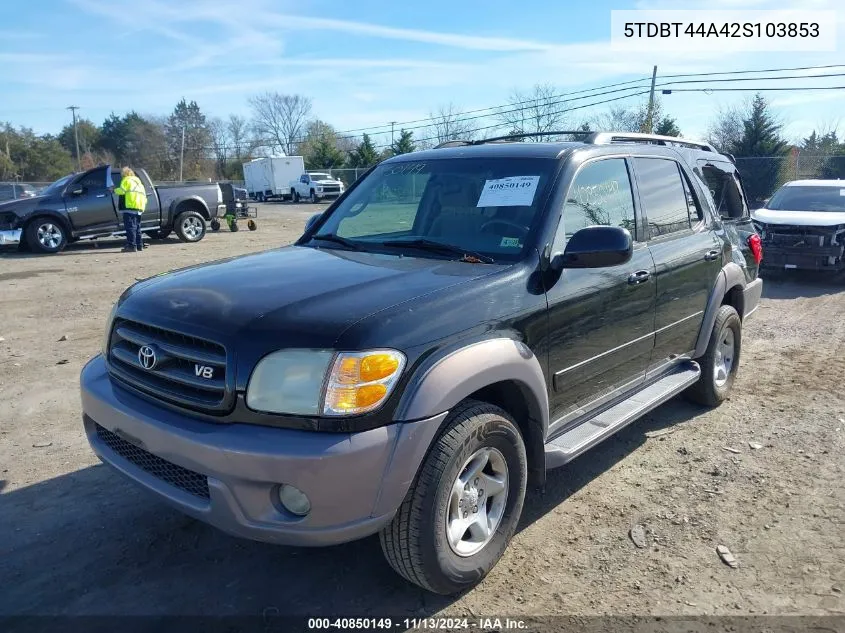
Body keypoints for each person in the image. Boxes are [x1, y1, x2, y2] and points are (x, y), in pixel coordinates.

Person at [114, 166, 147, 252]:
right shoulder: (139, 183)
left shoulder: (126, 180)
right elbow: (144, 196)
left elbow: (122, 191)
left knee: (130, 227)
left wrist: (114, 190)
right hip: (139, 207)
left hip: (130, 206)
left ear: (124, 174)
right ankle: (139, 245)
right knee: (137, 227)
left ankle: (131, 246)